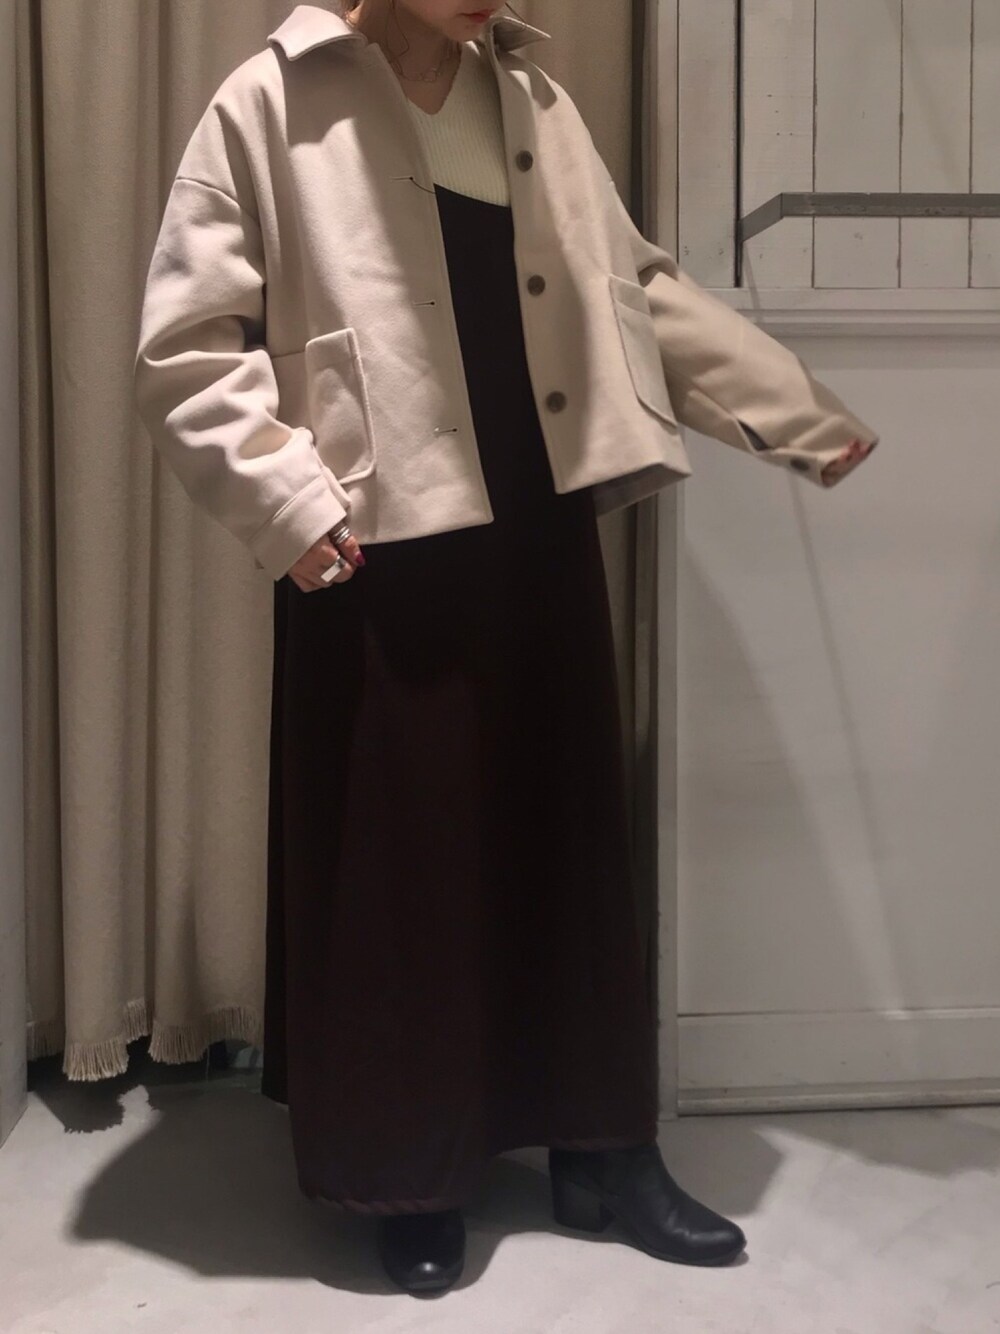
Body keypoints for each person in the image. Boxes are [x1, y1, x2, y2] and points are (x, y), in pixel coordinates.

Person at [133, 0, 878, 1297]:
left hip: (538, 516)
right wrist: (289, 504)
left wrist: (796, 413)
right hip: (374, 532)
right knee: (401, 856)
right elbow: (188, 349)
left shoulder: (531, 98)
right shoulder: (270, 99)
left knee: (566, 828)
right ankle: (411, 1168)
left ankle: (603, 1150)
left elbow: (633, 287)